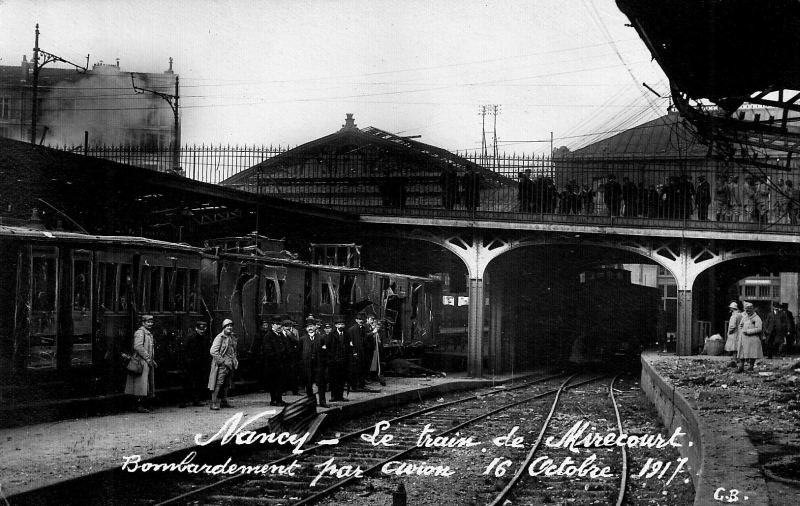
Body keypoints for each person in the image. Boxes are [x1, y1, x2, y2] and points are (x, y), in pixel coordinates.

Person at [125, 314, 156, 413]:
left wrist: (152, 360)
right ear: (143, 322)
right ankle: (139, 406)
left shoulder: (147, 333)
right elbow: (138, 346)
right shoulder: (140, 333)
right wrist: (148, 358)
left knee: (144, 384)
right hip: (141, 362)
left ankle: (142, 405)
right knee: (140, 385)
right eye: (148, 322)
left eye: (151, 322)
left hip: (146, 361)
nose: (150, 324)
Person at [258, 316, 289, 406]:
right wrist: (279, 355)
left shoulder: (281, 335)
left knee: (280, 382)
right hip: (272, 364)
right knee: (273, 382)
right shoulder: (268, 336)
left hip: (281, 363)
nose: (279, 326)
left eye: (280, 324)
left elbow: (286, 347)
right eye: (277, 324)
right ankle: (274, 400)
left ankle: (279, 399)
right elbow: (268, 351)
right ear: (273, 325)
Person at [208, 319, 238, 410]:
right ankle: (213, 403)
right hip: (222, 365)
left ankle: (224, 402)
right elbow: (213, 351)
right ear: (224, 327)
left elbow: (233, 350)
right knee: (218, 384)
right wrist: (222, 361)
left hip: (230, 364)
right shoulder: (219, 337)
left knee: (226, 384)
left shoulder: (232, 337)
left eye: (231, 326)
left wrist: (235, 360)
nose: (229, 327)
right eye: (227, 326)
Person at [180, 320, 209, 407]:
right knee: (187, 382)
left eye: (203, 329)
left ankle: (196, 400)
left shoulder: (204, 338)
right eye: (200, 329)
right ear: (196, 329)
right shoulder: (190, 337)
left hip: (198, 363)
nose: (202, 331)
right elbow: (184, 350)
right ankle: (184, 401)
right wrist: (187, 360)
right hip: (189, 363)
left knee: (198, 382)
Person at [300, 317, 328, 407]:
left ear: (315, 327)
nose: (310, 328)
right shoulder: (302, 339)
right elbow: (299, 353)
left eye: (311, 326)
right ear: (306, 328)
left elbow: (324, 352)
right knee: (308, 384)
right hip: (307, 365)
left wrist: (323, 364)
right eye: (308, 327)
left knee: (321, 384)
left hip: (318, 365)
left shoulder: (321, 338)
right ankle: (310, 402)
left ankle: (322, 402)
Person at [327, 315, 350, 402]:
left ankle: (340, 396)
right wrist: (332, 359)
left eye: (342, 324)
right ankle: (333, 396)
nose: (340, 326)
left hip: (344, 361)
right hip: (334, 361)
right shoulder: (332, 334)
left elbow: (348, 346)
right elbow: (328, 347)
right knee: (334, 379)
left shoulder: (347, 334)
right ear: (336, 325)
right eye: (339, 324)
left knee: (342, 379)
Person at [736, 302, 764, 373]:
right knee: (741, 353)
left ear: (752, 309)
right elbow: (741, 325)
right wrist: (741, 328)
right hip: (743, 338)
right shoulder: (745, 317)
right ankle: (741, 366)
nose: (747, 311)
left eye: (749, 309)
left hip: (752, 338)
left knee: (752, 353)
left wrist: (748, 331)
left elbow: (759, 329)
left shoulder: (756, 318)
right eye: (746, 309)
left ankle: (751, 367)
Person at [347, 312, 368, 390]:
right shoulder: (352, 329)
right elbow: (350, 342)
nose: (361, 321)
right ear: (356, 320)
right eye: (359, 319)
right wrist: (354, 352)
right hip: (356, 352)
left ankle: (361, 384)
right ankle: (354, 385)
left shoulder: (363, 328)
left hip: (362, 351)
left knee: (362, 368)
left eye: (362, 319)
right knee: (355, 369)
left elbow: (364, 339)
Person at [365, 315, 386, 386]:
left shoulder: (372, 327)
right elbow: (366, 336)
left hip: (375, 347)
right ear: (367, 319)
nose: (372, 321)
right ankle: (368, 377)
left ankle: (373, 376)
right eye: (371, 319)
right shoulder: (365, 327)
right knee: (369, 363)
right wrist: (373, 332)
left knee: (375, 363)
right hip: (368, 348)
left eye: (373, 320)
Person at [282, 319, 301, 396]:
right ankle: (283, 390)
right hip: (283, 357)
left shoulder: (291, 334)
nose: (288, 328)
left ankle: (295, 391)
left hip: (292, 357)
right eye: (286, 326)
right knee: (284, 374)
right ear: (283, 327)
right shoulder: (280, 334)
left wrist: (290, 335)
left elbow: (297, 341)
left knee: (294, 374)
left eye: (289, 327)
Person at [724, 301, 741, 367]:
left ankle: (734, 359)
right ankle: (738, 358)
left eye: (730, 308)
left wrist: (730, 331)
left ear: (732, 308)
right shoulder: (740, 314)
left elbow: (732, 326)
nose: (730, 309)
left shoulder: (734, 316)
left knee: (734, 347)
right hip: (739, 332)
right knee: (737, 346)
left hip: (734, 333)